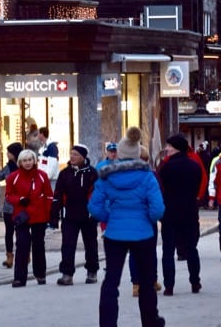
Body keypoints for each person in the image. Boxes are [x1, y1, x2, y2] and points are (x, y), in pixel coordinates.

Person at [89, 128, 166, 327]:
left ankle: (107, 323)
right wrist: (147, 218)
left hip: (114, 234)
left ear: (120, 154)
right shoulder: (147, 177)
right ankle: (150, 321)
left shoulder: (106, 177)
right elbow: (158, 208)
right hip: (143, 234)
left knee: (111, 281)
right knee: (147, 282)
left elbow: (94, 207)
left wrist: (111, 217)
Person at [158, 134, 203, 295]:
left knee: (168, 250)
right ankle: (195, 282)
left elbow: (161, 188)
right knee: (191, 248)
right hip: (190, 211)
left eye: (169, 146)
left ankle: (169, 285)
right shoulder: (194, 166)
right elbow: (198, 186)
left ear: (176, 147)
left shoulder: (166, 167)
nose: (167, 149)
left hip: (170, 212)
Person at [50, 144, 100, 285]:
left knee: (90, 244)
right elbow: (57, 195)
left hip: (88, 216)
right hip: (69, 215)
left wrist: (95, 212)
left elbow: (96, 194)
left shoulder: (92, 173)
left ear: (83, 157)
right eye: (71, 154)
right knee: (67, 245)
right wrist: (54, 216)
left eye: (76, 154)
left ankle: (92, 271)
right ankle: (67, 274)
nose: (72, 157)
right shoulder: (64, 173)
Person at [5, 148, 54, 287]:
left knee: (38, 245)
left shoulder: (42, 176)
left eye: (29, 160)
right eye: (24, 160)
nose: (27, 163)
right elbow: (8, 195)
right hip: (22, 216)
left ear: (34, 160)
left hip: (39, 215)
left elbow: (49, 195)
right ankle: (19, 278)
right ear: (20, 162)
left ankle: (40, 274)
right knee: (22, 245)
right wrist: (19, 199)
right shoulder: (13, 177)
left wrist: (50, 214)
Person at [0, 141, 23, 269]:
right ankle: (9, 256)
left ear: (14, 154)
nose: (7, 154)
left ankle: (24, 253)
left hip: (22, 206)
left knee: (22, 231)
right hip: (8, 206)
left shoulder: (25, 165)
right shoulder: (8, 168)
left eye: (8, 152)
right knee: (9, 231)